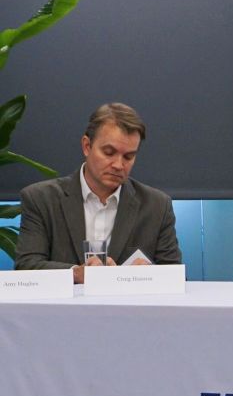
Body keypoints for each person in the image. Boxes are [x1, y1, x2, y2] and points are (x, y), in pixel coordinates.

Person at [16, 102, 181, 282]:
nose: (118, 165)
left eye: (128, 157)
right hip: (64, 309)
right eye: (109, 152)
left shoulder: (157, 206)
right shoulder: (41, 199)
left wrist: (149, 275)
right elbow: (27, 266)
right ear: (87, 146)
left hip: (129, 309)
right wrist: (76, 273)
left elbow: (177, 277)